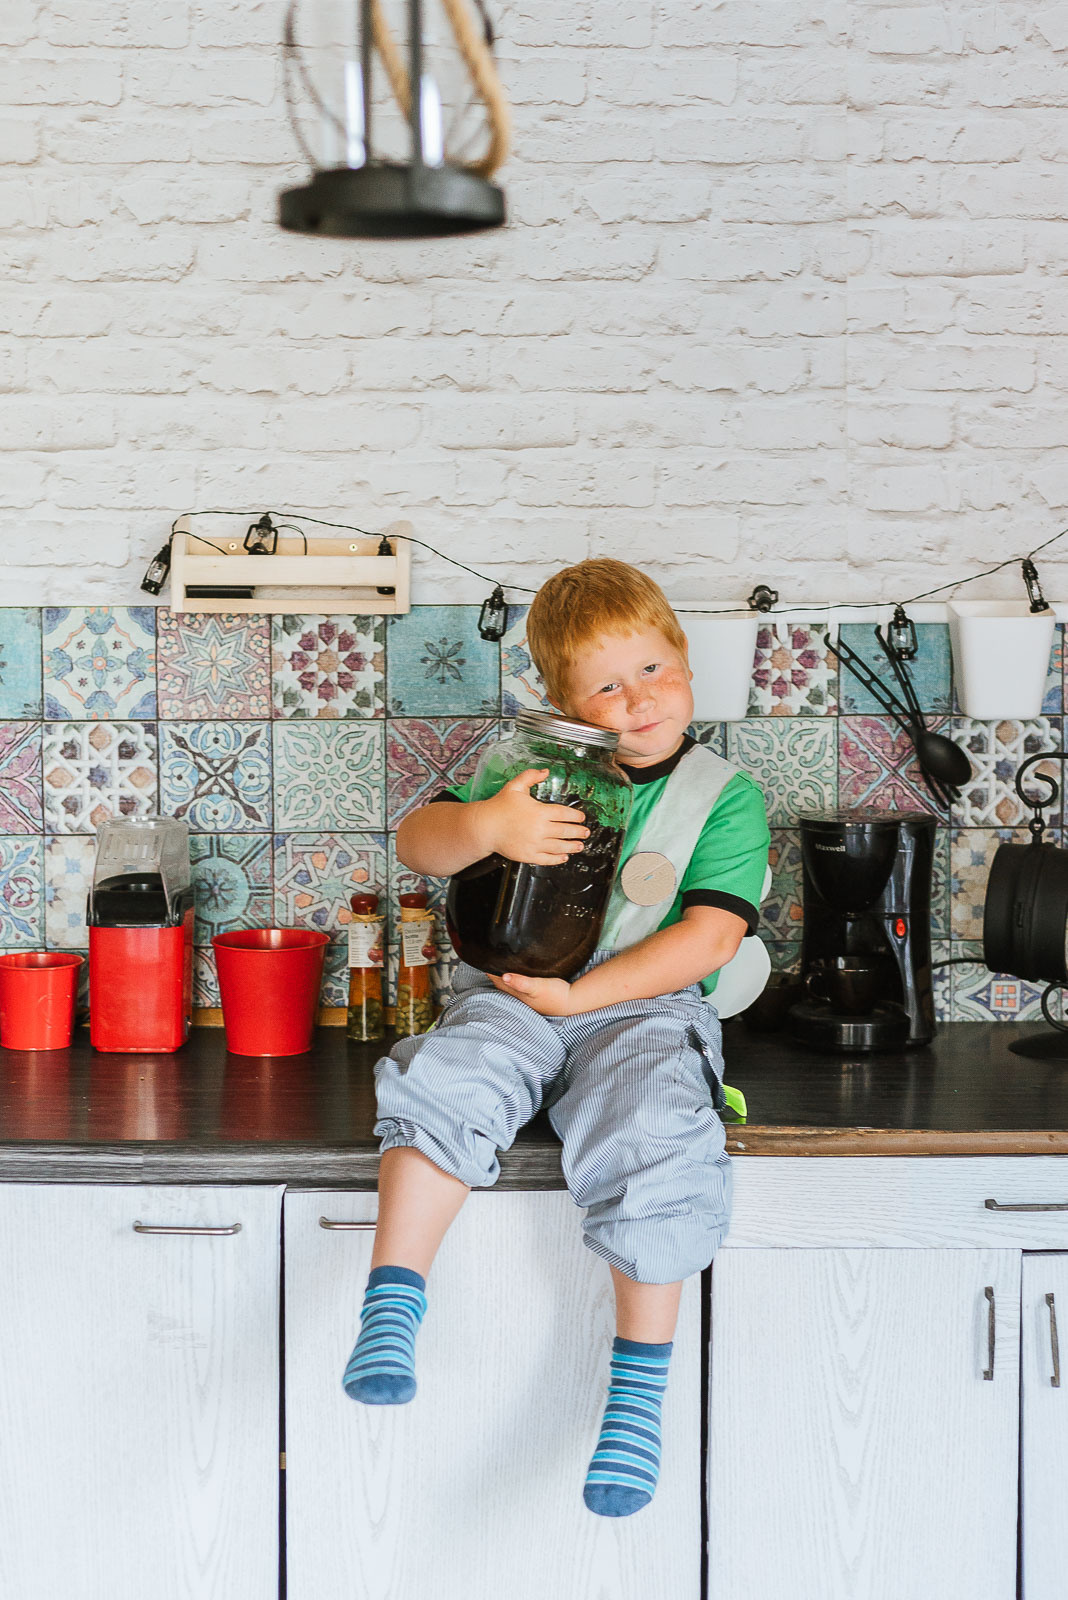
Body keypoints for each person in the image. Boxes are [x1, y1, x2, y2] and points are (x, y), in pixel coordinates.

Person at [342, 557, 770, 1519]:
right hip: (511, 990)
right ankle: (392, 1302)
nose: (638, 699)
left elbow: (707, 938)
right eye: (606, 687)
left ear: (686, 662)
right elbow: (421, 843)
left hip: (644, 1009)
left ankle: (636, 1397)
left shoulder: (725, 798)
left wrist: (584, 1002)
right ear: (561, 699)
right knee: (447, 1078)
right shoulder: (530, 773)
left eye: (653, 670)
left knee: (657, 1129)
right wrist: (491, 821)